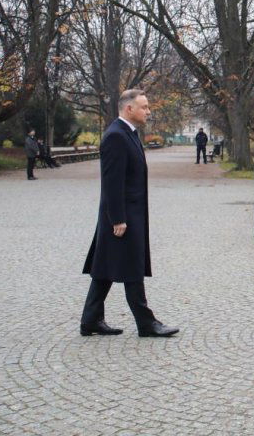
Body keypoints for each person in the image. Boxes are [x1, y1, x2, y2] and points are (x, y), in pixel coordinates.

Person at [80, 89, 179, 338]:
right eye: (144, 107)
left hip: (129, 213)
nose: (148, 111)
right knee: (132, 267)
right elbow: (112, 182)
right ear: (129, 109)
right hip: (122, 217)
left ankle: (90, 320)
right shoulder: (116, 136)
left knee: (105, 267)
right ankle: (147, 324)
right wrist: (118, 218)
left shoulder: (128, 134)